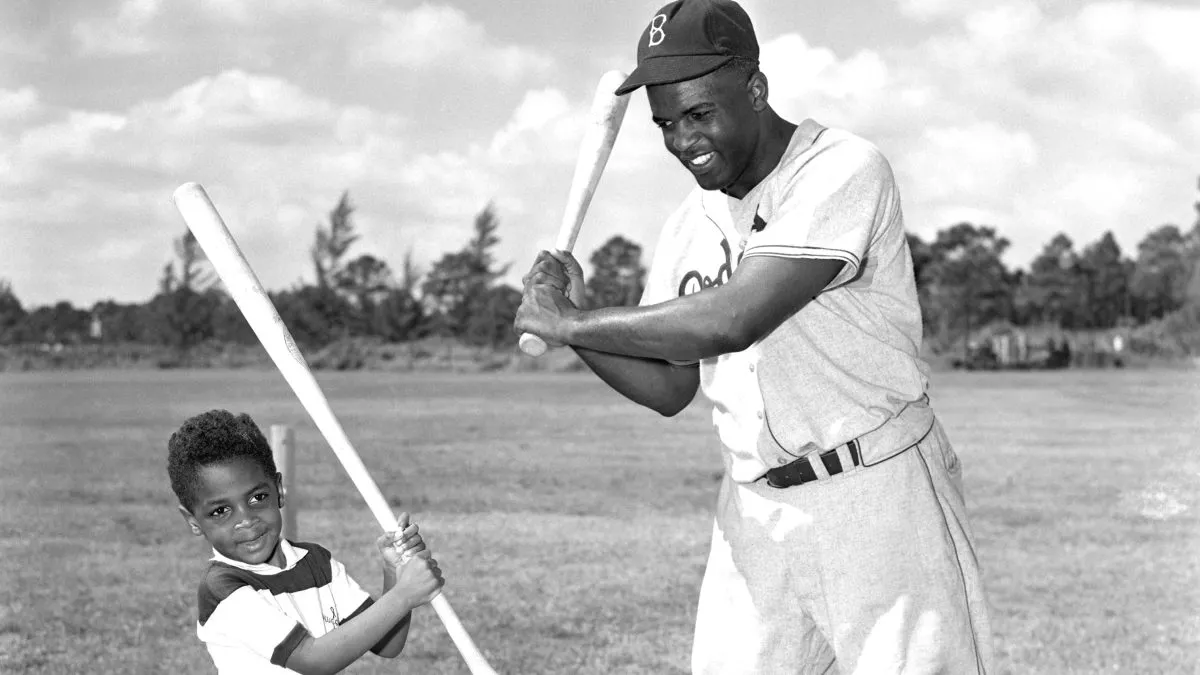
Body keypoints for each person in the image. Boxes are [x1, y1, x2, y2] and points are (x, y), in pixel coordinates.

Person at [514, 0, 993, 673]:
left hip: (875, 491)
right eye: (666, 125)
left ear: (755, 88)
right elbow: (670, 383)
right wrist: (574, 329)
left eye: (699, 114)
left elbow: (737, 316)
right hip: (751, 508)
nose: (683, 141)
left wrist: (567, 321)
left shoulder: (841, 168)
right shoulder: (687, 223)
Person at [167, 409, 444, 674]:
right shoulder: (223, 588)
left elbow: (387, 645)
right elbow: (315, 662)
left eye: (257, 498)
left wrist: (395, 572)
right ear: (193, 521)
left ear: (278, 490)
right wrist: (404, 595)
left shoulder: (317, 562)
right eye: (220, 511)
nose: (246, 520)